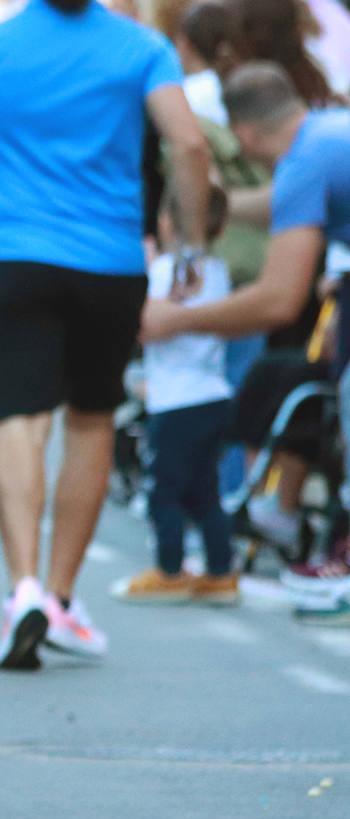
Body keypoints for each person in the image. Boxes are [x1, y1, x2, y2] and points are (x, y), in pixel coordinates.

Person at [0, 0, 212, 671]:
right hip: (110, 265)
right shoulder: (143, 49)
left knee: (20, 422)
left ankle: (24, 589)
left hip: (19, 259)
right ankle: (60, 596)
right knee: (91, 424)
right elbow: (189, 143)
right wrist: (193, 248)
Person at [141, 61, 350, 623]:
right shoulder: (330, 133)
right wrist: (211, 207)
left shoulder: (306, 161)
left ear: (245, 135)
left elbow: (278, 299)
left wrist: (174, 321)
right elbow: (271, 205)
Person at [113, 186, 239, 604]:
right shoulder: (217, 271)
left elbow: (145, 324)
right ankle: (221, 571)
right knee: (204, 489)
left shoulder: (168, 270)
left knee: (164, 489)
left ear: (167, 221)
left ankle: (170, 569)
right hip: (213, 393)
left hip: (176, 398)